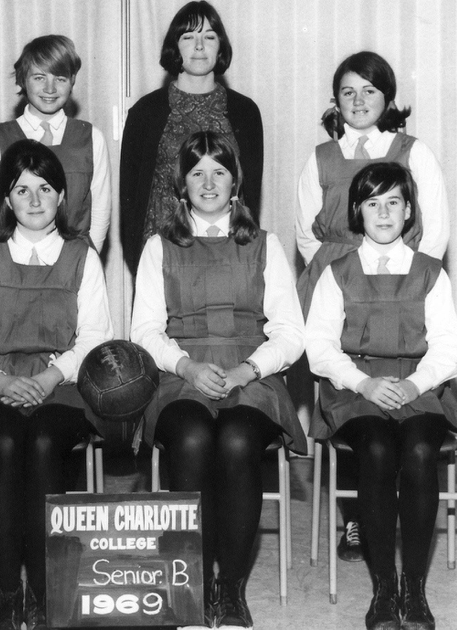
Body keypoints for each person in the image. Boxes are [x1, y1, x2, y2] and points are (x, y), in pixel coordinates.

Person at [131, 131, 306, 630]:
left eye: (219, 171)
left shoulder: (265, 246)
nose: (209, 183)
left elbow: (290, 333)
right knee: (190, 436)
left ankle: (229, 588)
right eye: (196, 173)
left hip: (250, 371)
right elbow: (143, 330)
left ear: (236, 183)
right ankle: (189, 586)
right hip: (179, 371)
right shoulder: (157, 247)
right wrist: (186, 366)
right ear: (182, 186)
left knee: (234, 440)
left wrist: (246, 370)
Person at [294, 50, 452, 561]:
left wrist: (398, 284)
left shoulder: (413, 151)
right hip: (339, 281)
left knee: (404, 428)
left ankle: (398, 515)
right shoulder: (320, 156)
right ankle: (357, 520)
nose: (359, 101)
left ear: (387, 99)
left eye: (369, 91)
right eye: (347, 91)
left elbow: (436, 234)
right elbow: (305, 234)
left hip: (402, 283)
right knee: (348, 404)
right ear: (335, 102)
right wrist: (347, 273)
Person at [0, 140, 113, 630]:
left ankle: (43, 592)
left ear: (63, 196)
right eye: (22, 190)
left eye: (45, 188)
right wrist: (0, 378)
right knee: (3, 441)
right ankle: (7, 596)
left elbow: (95, 338)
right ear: (6, 200)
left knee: (43, 442)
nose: (35, 200)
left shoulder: (82, 256)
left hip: (59, 382)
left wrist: (47, 377)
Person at [305, 162, 457, 630]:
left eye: (393, 201)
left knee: (418, 450)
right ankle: (383, 589)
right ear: (357, 211)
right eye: (372, 202)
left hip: (420, 386)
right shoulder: (336, 273)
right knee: (375, 449)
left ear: (409, 210)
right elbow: (319, 347)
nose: (383, 211)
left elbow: (451, 347)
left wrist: (414, 385)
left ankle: (413, 589)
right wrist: (364, 384)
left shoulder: (430, 272)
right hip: (356, 388)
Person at [119, 0, 263, 277]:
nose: (199, 46)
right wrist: (138, 261)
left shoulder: (245, 112)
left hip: (229, 250)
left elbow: (250, 194)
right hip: (160, 253)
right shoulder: (145, 112)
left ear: (220, 46)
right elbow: (130, 199)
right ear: (175, 46)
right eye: (188, 37)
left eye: (209, 37)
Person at [0, 34, 111, 253]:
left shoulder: (91, 137)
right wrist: (3, 259)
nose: (50, 88)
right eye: (39, 77)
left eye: (60, 78)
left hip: (74, 260)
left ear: (73, 80)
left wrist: (85, 260)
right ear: (22, 79)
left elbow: (100, 210)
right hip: (14, 262)